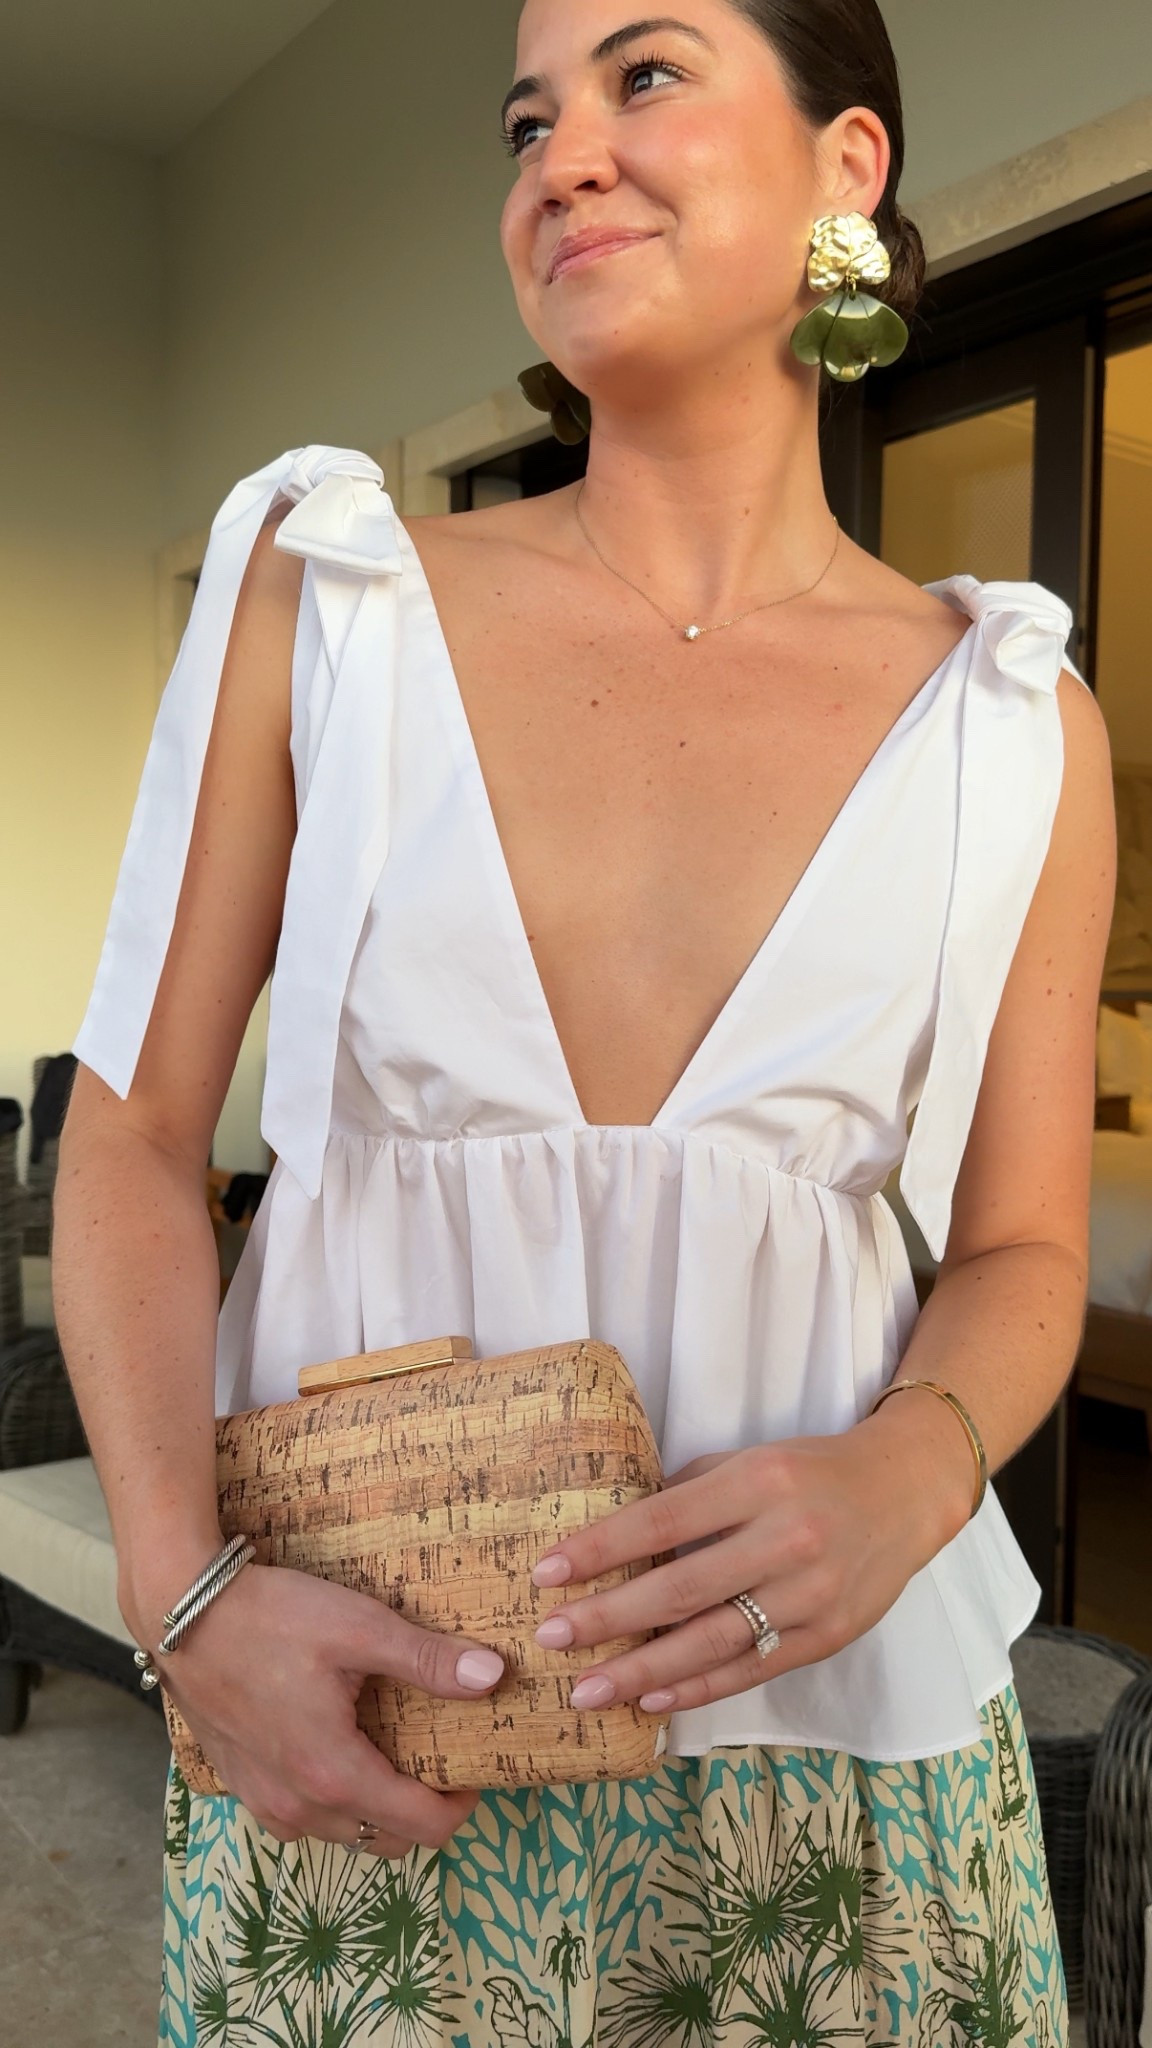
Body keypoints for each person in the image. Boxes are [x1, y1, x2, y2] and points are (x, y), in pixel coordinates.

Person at [54, 1, 1115, 2042]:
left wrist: (911, 1474)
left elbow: (1021, 1250)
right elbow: (132, 1135)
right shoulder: (324, 606)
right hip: (374, 1726)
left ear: (848, 170)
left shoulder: (1013, 727)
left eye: (646, 77)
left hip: (845, 1760)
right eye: (526, 120)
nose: (563, 157)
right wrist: (181, 1597)